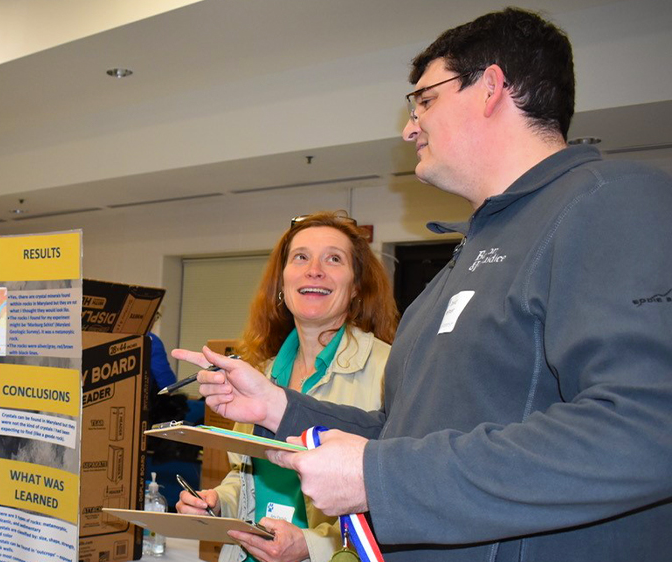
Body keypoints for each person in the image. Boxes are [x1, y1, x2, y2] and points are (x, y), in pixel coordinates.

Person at [176, 8, 672, 561]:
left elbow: (648, 425)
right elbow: (400, 430)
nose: (411, 126)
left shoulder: (608, 201)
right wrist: (278, 408)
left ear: (490, 86)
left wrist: (378, 478)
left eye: (425, 99)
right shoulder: (462, 264)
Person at [175, 211, 398, 562]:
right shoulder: (261, 374)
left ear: (357, 286)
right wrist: (219, 503)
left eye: (334, 259)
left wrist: (311, 545)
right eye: (301, 257)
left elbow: (396, 496)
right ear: (281, 283)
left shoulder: (390, 369)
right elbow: (245, 473)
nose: (314, 270)